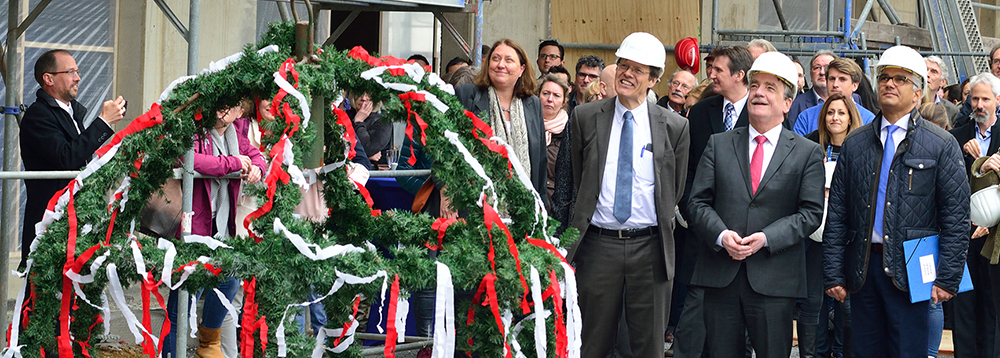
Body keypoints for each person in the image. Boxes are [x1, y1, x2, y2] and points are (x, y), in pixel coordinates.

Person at [824, 45, 970, 358]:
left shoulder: (941, 145)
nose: (889, 84)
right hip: (864, 269)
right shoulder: (856, 143)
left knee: (907, 351)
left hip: (912, 273)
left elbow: (956, 216)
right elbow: (837, 212)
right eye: (885, 77)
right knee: (864, 351)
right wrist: (833, 272)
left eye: (900, 79)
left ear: (918, 93)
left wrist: (947, 277)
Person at [687, 51, 825, 358]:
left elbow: (810, 213)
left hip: (775, 279)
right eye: (755, 86)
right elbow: (697, 203)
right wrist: (722, 236)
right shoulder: (719, 144)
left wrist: (767, 238)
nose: (759, 92)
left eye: (770, 87)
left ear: (788, 103)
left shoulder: (806, 152)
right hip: (721, 274)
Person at [567, 32, 689, 358]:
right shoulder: (585, 117)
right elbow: (580, 177)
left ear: (654, 79)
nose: (627, 74)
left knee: (648, 345)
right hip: (598, 246)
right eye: (623, 65)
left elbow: (674, 190)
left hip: (650, 248)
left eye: (638, 69)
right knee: (592, 343)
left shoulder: (675, 127)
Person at [163, 103, 267, 358]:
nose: (223, 109)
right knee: (182, 304)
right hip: (193, 229)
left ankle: (208, 343)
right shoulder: (196, 131)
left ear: (240, 113)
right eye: (219, 105)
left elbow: (257, 156)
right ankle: (170, 353)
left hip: (222, 230)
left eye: (231, 107)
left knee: (230, 281)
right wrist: (231, 164)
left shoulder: (235, 136)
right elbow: (189, 159)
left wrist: (256, 168)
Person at [671, 45, 753, 358]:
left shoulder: (760, 111)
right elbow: (689, 169)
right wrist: (696, 213)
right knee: (693, 323)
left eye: (718, 69)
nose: (711, 75)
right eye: (711, 68)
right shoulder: (703, 111)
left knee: (733, 329)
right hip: (702, 234)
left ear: (739, 74)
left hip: (745, 238)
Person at [20, 49, 125, 269]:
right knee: (45, 297)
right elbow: (66, 157)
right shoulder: (38, 115)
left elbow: (80, 157)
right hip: (51, 223)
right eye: (70, 72)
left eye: (77, 71)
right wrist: (104, 122)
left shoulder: (71, 112)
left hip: (78, 220)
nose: (78, 78)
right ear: (48, 79)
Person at [455, 39, 548, 202]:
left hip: (523, 207)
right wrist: (447, 193)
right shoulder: (467, 95)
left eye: (509, 60)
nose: (500, 64)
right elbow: (449, 146)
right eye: (496, 58)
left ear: (522, 69)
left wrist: (540, 203)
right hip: (475, 202)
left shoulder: (533, 104)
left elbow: (540, 159)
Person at [948, 72, 1000, 358]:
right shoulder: (956, 137)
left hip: (994, 241)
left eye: (985, 99)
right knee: (963, 307)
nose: (979, 105)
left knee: (992, 307)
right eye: (975, 98)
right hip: (962, 236)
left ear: (997, 101)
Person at [793, 58, 876, 136]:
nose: (835, 84)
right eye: (832, 79)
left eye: (842, 79)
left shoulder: (869, 120)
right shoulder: (806, 117)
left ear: (855, 85)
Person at [537, 74, 571, 205]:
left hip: (554, 205)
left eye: (556, 96)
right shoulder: (526, 126)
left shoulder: (569, 131)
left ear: (564, 102)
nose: (550, 99)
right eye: (546, 93)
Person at [788, 50, 836, 127]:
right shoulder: (796, 105)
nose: (822, 72)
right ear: (810, 74)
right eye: (817, 67)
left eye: (827, 68)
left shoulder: (852, 100)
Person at [349, 92, 392, 167]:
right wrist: (367, 157)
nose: (363, 99)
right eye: (360, 94)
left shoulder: (383, 120)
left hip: (375, 173)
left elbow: (369, 148)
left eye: (368, 95)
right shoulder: (346, 115)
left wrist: (358, 121)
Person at [925, 56, 960, 122]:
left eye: (934, 72)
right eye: (925, 69)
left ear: (942, 82)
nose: (927, 74)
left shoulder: (951, 110)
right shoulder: (907, 102)